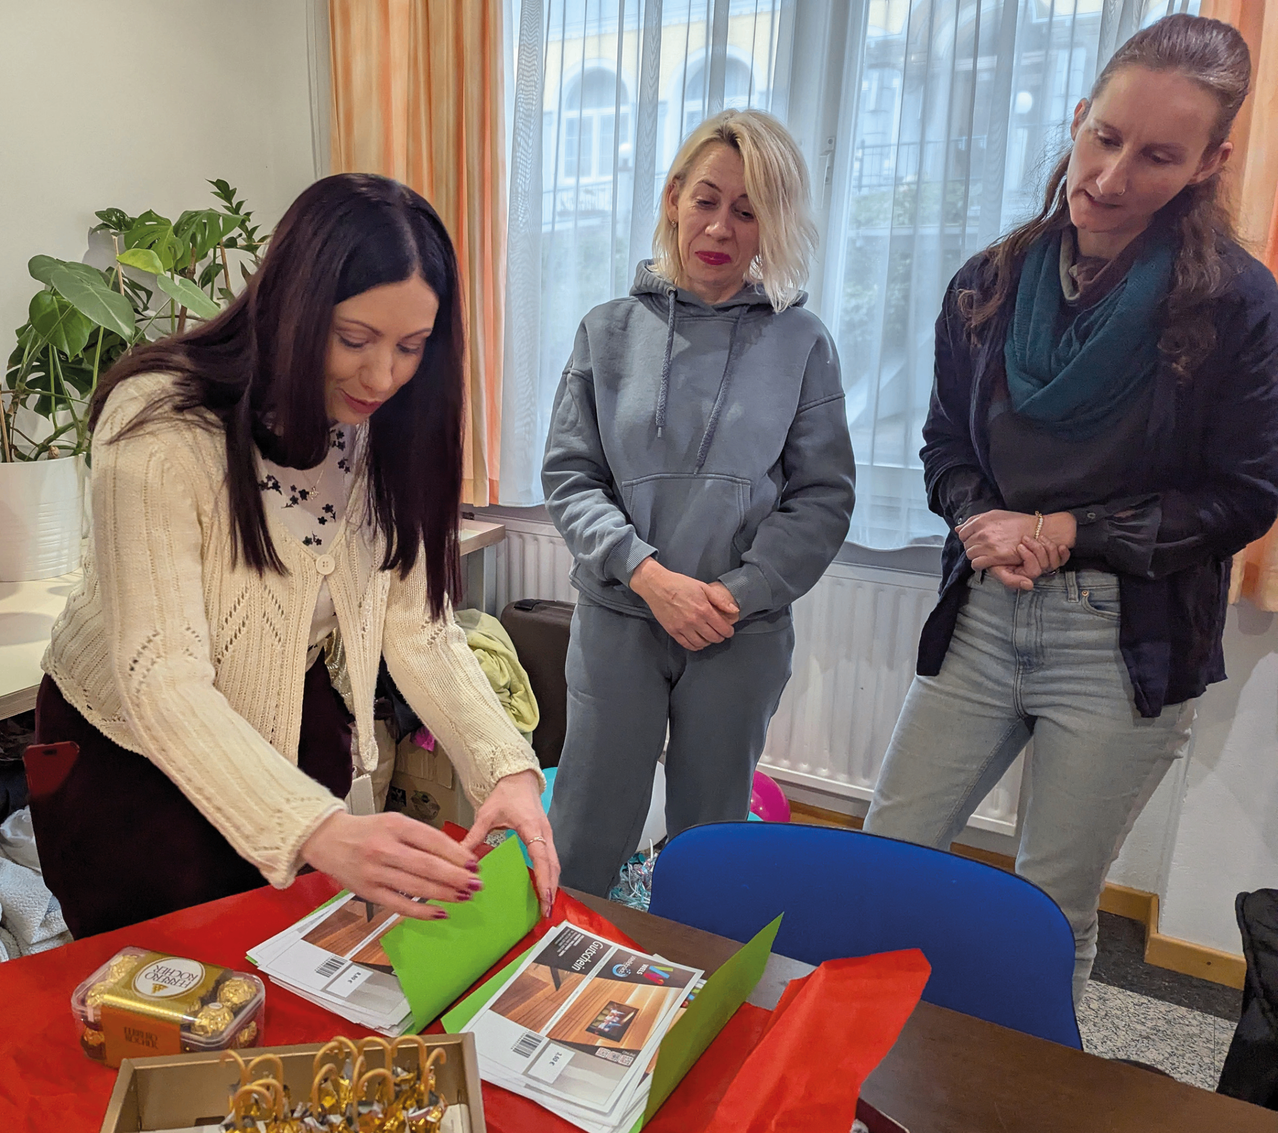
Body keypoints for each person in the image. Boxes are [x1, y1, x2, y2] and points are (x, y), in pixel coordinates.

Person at [863, 14, 1278, 1001]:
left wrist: (1066, 532)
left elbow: (1247, 494)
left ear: (1211, 163)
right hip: (983, 617)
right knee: (883, 853)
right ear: (1082, 113)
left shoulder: (1238, 305)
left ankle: (1031, 1097)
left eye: (1158, 155)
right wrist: (977, 519)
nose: (1111, 173)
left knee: (1048, 912)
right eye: (1105, 135)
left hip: (1124, 646)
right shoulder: (989, 284)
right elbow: (946, 449)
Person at [31, 174, 559, 938]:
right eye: (354, 340)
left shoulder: (387, 425)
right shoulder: (159, 425)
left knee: (295, 970)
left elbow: (419, 628)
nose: (383, 376)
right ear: (293, 305)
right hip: (128, 757)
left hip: (287, 716)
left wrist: (505, 767)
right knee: (167, 991)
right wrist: (320, 828)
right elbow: (161, 678)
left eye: (411, 347)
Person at [542, 109, 856, 896]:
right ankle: (552, 991)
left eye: (747, 210)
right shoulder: (605, 331)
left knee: (710, 845)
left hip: (737, 631)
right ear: (675, 197)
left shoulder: (803, 342)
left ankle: (693, 997)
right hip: (619, 615)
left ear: (770, 225)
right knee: (585, 831)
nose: (720, 226)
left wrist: (733, 595)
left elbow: (822, 499)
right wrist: (647, 575)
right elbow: (571, 476)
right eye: (707, 199)